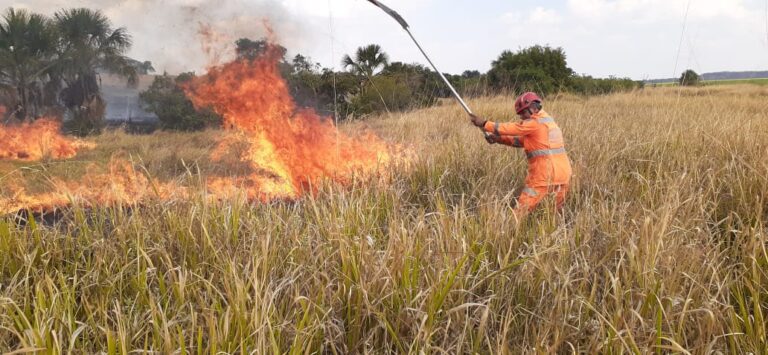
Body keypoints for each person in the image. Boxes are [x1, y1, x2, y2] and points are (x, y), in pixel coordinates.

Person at [469, 92, 572, 217]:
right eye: (520, 114)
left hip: (543, 175)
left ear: (533, 108)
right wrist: (499, 139)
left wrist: (485, 124)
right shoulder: (548, 122)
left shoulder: (535, 122)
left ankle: (510, 233)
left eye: (523, 112)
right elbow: (522, 141)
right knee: (555, 214)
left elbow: (513, 128)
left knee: (520, 213)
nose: (522, 117)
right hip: (563, 175)